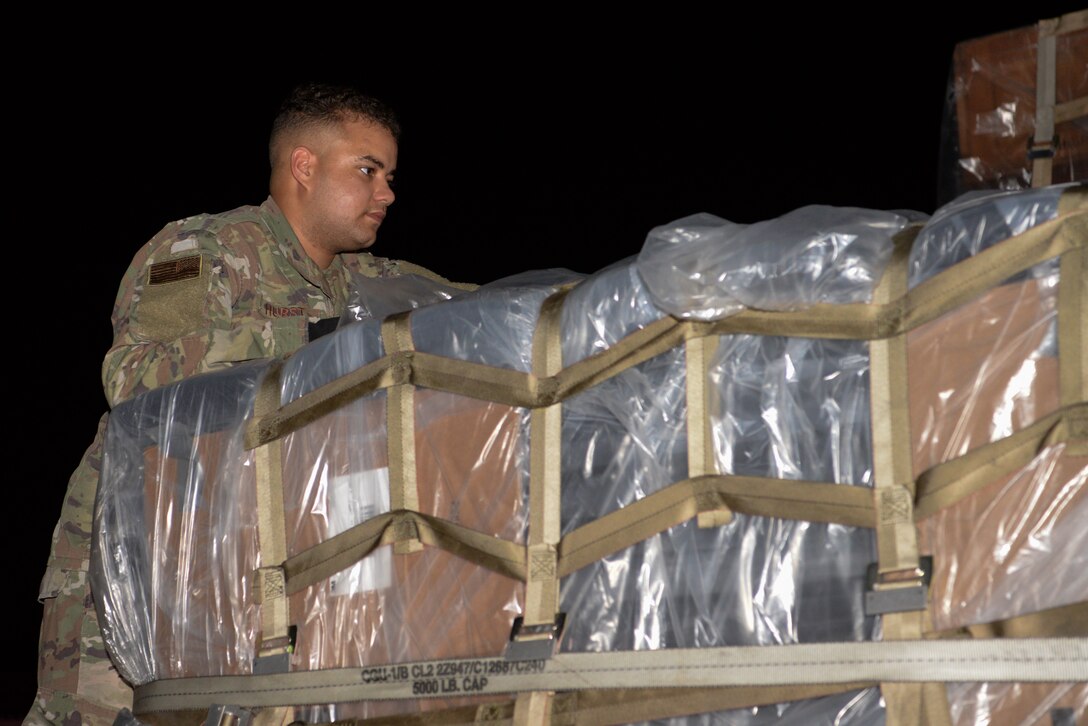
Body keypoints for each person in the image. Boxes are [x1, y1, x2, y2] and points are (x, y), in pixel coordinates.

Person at [27, 81, 474, 725]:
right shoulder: (202, 252)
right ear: (304, 166)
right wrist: (312, 340)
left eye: (390, 176)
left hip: (249, 577)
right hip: (132, 566)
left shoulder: (371, 284)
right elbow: (136, 375)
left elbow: (485, 315)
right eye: (368, 170)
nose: (387, 193)